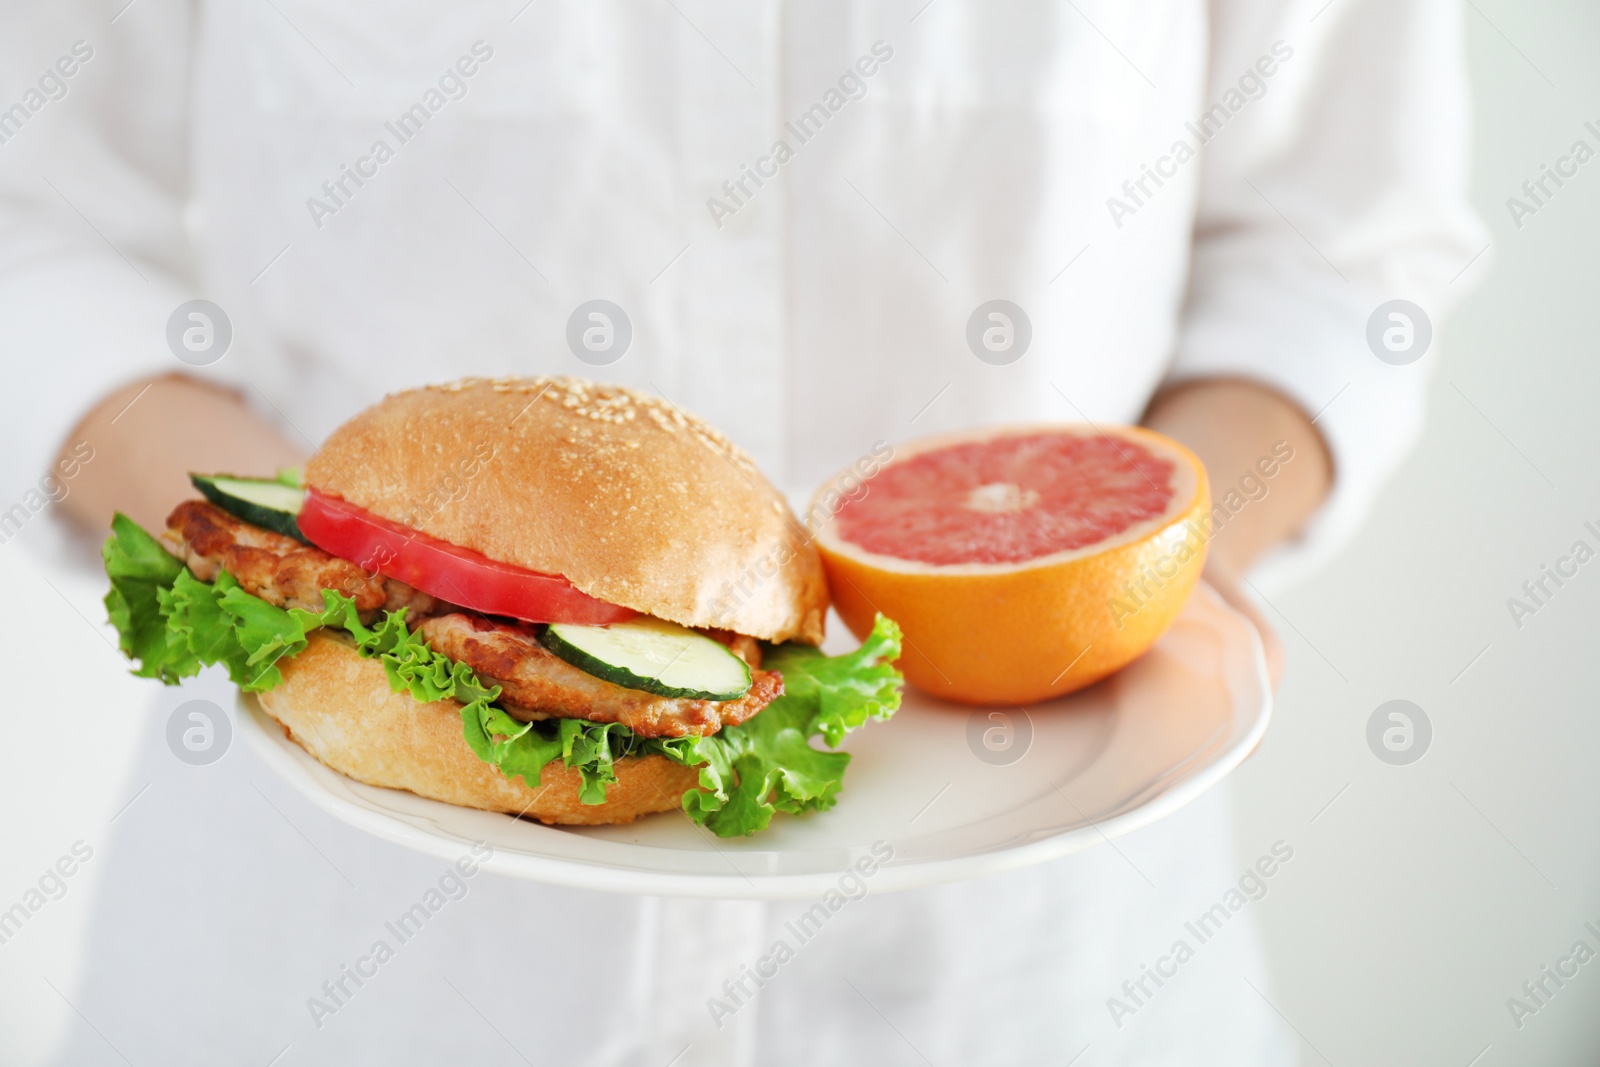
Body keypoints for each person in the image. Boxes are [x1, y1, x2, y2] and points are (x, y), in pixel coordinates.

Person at [5, 0, 1483, 1063]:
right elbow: (30, 226)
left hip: (1053, 961)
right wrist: (334, 569)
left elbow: (1341, 256)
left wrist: (1152, 570)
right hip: (322, 977)